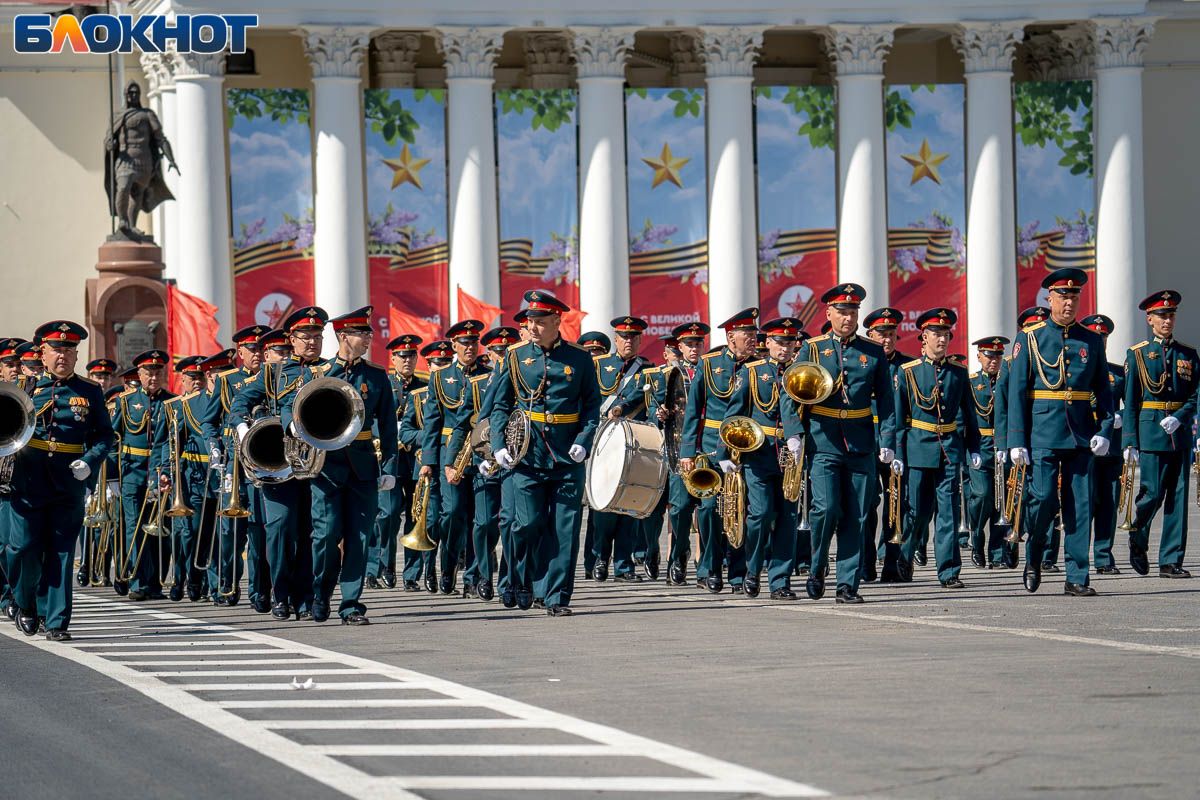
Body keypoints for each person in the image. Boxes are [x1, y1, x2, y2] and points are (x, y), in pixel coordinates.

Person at [275, 307, 397, 625]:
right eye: (362, 333)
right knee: (326, 535)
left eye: (369, 333)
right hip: (327, 466)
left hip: (364, 466)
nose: (369, 338)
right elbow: (291, 404)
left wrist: (390, 467)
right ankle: (321, 592)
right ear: (343, 336)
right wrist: (291, 424)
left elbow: (388, 425)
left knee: (359, 536)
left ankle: (352, 604)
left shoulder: (376, 375)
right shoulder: (319, 372)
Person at [488, 290, 601, 616]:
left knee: (564, 531)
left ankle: (555, 598)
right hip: (527, 454)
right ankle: (521, 579)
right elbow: (500, 405)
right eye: (529, 322)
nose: (532, 327)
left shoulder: (579, 358)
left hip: (567, 457)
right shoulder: (514, 356)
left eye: (539, 321)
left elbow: (591, 405)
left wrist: (584, 438)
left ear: (556, 321)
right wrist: (498, 446)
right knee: (526, 525)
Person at [782, 284, 897, 604]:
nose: (849, 318)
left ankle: (847, 583)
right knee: (827, 508)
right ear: (829, 313)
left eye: (853, 312)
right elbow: (790, 390)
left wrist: (887, 438)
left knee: (858, 516)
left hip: (861, 442)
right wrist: (794, 432)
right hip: (823, 439)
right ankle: (817, 567)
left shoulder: (872, 351)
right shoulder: (813, 348)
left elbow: (887, 399)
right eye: (843, 312)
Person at [1008, 268, 1114, 596]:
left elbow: (1103, 392)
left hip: (1081, 435)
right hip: (1041, 434)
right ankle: (1034, 556)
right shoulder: (1031, 338)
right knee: (1041, 501)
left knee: (1080, 505)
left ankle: (1077, 577)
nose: (1069, 302)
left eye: (1074, 296)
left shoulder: (1091, 340)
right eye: (1063, 296)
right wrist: (1016, 439)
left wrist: (1106, 429)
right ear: (1049, 298)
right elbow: (1017, 392)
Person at [6, 321, 114, 641]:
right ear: (43, 353)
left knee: (62, 552)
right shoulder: (26, 387)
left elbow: (105, 435)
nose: (62, 355)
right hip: (28, 478)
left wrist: (90, 461)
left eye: (68, 350)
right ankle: (25, 603)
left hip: (68, 480)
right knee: (23, 548)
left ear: (76, 355)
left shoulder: (90, 391)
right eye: (56, 349)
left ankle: (56, 622)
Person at [893, 309, 980, 589]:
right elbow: (899, 417)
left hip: (949, 449)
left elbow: (969, 412)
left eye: (946, 334)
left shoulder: (958, 372)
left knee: (949, 513)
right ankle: (905, 556)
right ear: (924, 337)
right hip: (918, 447)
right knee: (917, 511)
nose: (942, 339)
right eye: (937, 334)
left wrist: (973, 447)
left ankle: (949, 571)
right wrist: (897, 452)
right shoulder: (908, 372)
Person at [679, 308, 761, 593]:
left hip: (747, 448)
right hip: (712, 447)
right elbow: (693, 410)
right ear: (730, 336)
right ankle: (710, 569)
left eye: (754, 334)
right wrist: (688, 451)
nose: (753, 339)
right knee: (711, 509)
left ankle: (738, 573)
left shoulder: (760, 366)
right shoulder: (709, 363)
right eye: (747, 334)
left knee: (741, 509)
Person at [1121, 291, 1199, 579]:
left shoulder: (1187, 354)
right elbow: (1130, 401)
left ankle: (1170, 561)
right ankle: (1137, 537)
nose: (1167, 320)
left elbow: (1196, 395)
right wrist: (1129, 441)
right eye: (1162, 315)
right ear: (1149, 319)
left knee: (1178, 496)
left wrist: (1181, 418)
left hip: (1178, 433)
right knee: (1152, 493)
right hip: (1150, 429)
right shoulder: (1138, 353)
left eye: (1171, 315)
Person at [724, 317, 801, 599]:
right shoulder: (752, 372)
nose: (785, 347)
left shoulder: (801, 372)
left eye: (790, 342)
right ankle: (753, 570)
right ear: (767, 343)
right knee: (760, 514)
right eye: (780, 342)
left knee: (787, 518)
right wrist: (726, 454)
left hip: (792, 455)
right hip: (759, 452)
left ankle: (781, 581)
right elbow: (734, 413)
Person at [419, 319, 489, 595]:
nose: (470, 347)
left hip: (481, 452)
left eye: (474, 342)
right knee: (453, 514)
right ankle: (448, 565)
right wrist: (428, 460)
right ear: (454, 345)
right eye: (464, 343)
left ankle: (473, 576)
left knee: (480, 518)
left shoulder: (489, 375)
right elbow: (432, 422)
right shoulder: (440, 377)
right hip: (450, 453)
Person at [590, 316, 655, 582]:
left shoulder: (648, 369)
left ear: (640, 340)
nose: (628, 341)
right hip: (604, 440)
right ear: (615, 339)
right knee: (604, 505)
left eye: (633, 337)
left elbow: (648, 399)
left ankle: (624, 565)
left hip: (633, 441)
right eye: (623, 337)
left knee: (629, 505)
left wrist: (624, 408)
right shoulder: (598, 365)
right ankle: (599, 559)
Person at [111, 349, 175, 601]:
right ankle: (137, 581)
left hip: (160, 472)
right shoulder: (125, 402)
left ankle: (156, 582)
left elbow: (173, 440)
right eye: (148, 372)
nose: (153, 376)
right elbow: (113, 439)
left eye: (158, 372)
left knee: (159, 528)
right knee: (134, 528)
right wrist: (112, 477)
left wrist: (167, 472)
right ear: (139, 373)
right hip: (132, 472)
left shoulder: (172, 402)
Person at [462, 326, 519, 600]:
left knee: (508, 522)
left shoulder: (524, 378)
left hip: (514, 459)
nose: (502, 355)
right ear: (490, 353)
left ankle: (506, 581)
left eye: (507, 351)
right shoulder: (478, 383)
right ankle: (482, 573)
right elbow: (467, 424)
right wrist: (462, 460)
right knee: (484, 523)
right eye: (498, 351)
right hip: (484, 459)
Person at [154, 355, 217, 602]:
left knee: (207, 533)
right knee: (186, 533)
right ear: (183, 379)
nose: (198, 382)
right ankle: (180, 578)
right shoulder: (177, 406)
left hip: (211, 474)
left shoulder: (213, 401)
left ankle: (198, 581)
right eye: (192, 378)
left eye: (201, 377)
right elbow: (165, 443)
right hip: (189, 476)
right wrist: (165, 471)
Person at [368, 333, 426, 590]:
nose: (407, 360)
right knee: (387, 515)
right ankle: (382, 566)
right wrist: (392, 432)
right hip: (389, 459)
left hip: (415, 461)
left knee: (415, 517)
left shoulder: (424, 386)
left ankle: (412, 574)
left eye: (412, 355)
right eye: (402, 356)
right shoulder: (383, 383)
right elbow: (370, 419)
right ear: (393, 358)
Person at [862, 307, 914, 583]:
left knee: (896, 505)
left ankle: (892, 562)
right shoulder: (861, 361)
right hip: (865, 439)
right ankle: (866, 562)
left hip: (897, 440)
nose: (886, 340)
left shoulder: (907, 366)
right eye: (881, 334)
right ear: (870, 335)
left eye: (891, 334)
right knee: (866, 505)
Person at [660, 321, 709, 586]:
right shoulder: (669, 374)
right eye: (689, 344)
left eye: (698, 343)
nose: (694, 348)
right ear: (679, 347)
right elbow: (657, 404)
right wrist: (661, 414)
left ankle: (705, 568)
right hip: (679, 447)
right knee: (679, 508)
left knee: (708, 509)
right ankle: (678, 556)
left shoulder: (712, 370)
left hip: (707, 445)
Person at [1080, 315, 1125, 575]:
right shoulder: (1077, 370)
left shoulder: (1118, 373)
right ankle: (1079, 557)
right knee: (1085, 501)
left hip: (1112, 446)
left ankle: (1104, 557)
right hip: (1085, 444)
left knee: (1108, 501)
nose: (1101, 341)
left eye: (1104, 338)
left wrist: (1121, 418)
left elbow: (1133, 405)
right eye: (1096, 337)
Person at [966, 336, 1011, 569]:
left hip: (1003, 446)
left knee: (1001, 503)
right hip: (980, 445)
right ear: (979, 357)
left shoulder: (1009, 380)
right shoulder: (971, 382)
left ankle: (997, 553)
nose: (994, 360)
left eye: (998, 356)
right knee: (982, 495)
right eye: (989, 356)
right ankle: (976, 541)